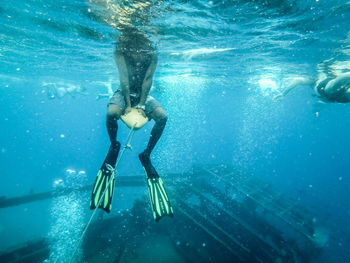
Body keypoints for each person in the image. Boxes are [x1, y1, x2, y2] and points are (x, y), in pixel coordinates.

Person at [90, 28, 173, 221]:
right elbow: (124, 79)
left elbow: (148, 79)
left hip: (143, 94)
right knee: (112, 113)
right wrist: (128, 105)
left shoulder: (152, 53)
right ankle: (114, 145)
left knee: (163, 117)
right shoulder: (120, 49)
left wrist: (142, 105)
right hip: (123, 92)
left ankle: (146, 154)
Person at [275, 72, 350, 103]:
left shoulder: (313, 81)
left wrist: (284, 93)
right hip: (326, 90)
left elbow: (298, 80)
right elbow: (298, 80)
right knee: (335, 83)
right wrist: (283, 94)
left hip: (326, 90)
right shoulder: (313, 81)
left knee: (335, 84)